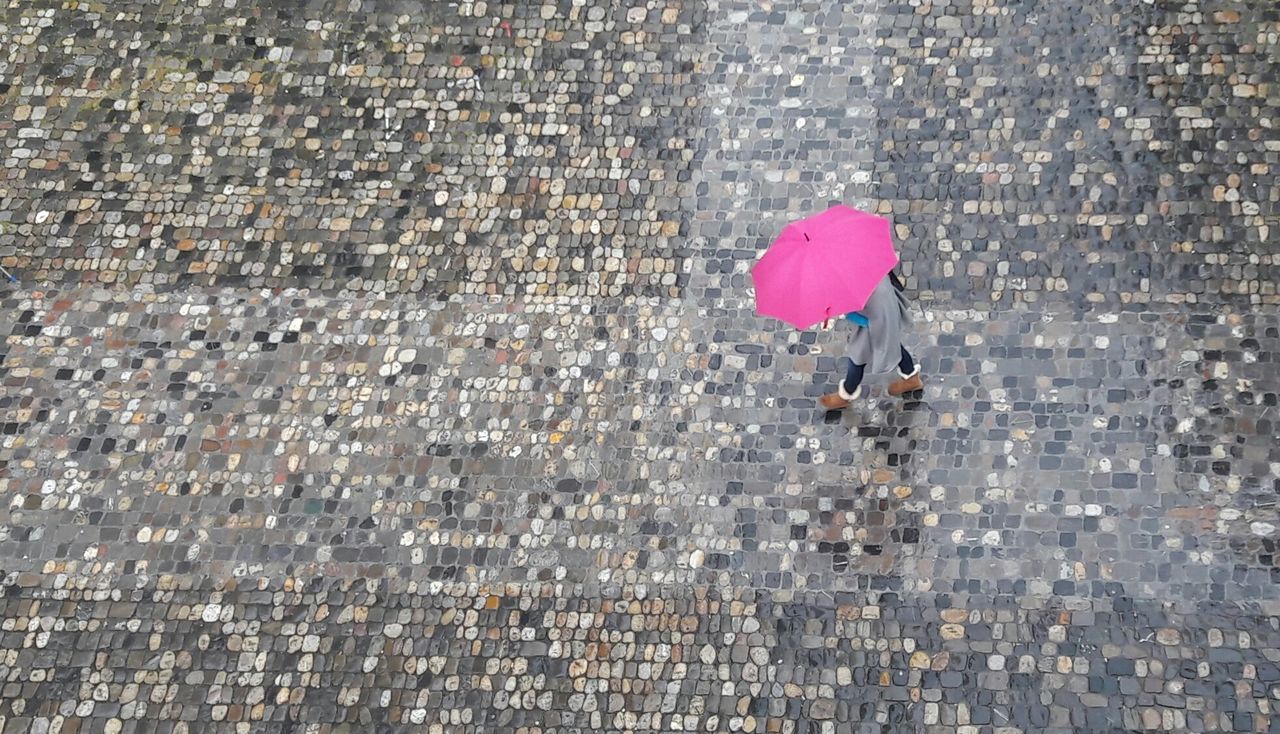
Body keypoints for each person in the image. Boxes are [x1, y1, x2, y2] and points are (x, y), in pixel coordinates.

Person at [820, 271, 923, 410]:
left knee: (857, 358)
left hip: (875, 321)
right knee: (892, 344)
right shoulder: (870, 269)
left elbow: (856, 317)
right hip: (886, 309)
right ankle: (911, 377)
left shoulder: (852, 286)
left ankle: (847, 393)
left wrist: (838, 311)